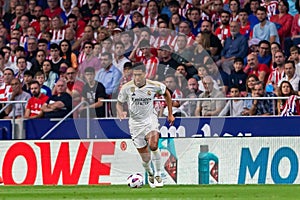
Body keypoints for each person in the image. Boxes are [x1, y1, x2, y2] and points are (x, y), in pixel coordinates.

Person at [116, 62, 175, 188]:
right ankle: (150, 174)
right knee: (146, 158)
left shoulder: (154, 85)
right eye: (135, 75)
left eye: (139, 75)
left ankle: (158, 174)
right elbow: (119, 103)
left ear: (145, 74)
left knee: (154, 146)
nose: (136, 78)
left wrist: (170, 114)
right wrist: (120, 112)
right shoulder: (126, 87)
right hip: (135, 124)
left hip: (150, 120)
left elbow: (167, 94)